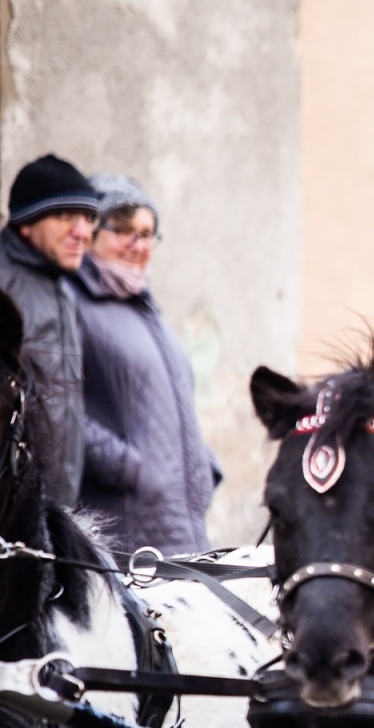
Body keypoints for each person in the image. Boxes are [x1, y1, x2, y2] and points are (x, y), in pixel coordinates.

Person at [71, 174, 218, 554]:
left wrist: (204, 464)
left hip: (179, 525)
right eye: (122, 230)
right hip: (124, 528)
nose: (138, 245)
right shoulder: (73, 304)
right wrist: (128, 467)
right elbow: (59, 411)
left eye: (147, 233)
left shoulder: (147, 312)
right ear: (90, 231)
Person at [0, 154, 100, 505]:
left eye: (89, 219)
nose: (82, 233)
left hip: (51, 508)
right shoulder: (5, 284)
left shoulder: (61, 289)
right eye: (65, 217)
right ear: (26, 222)